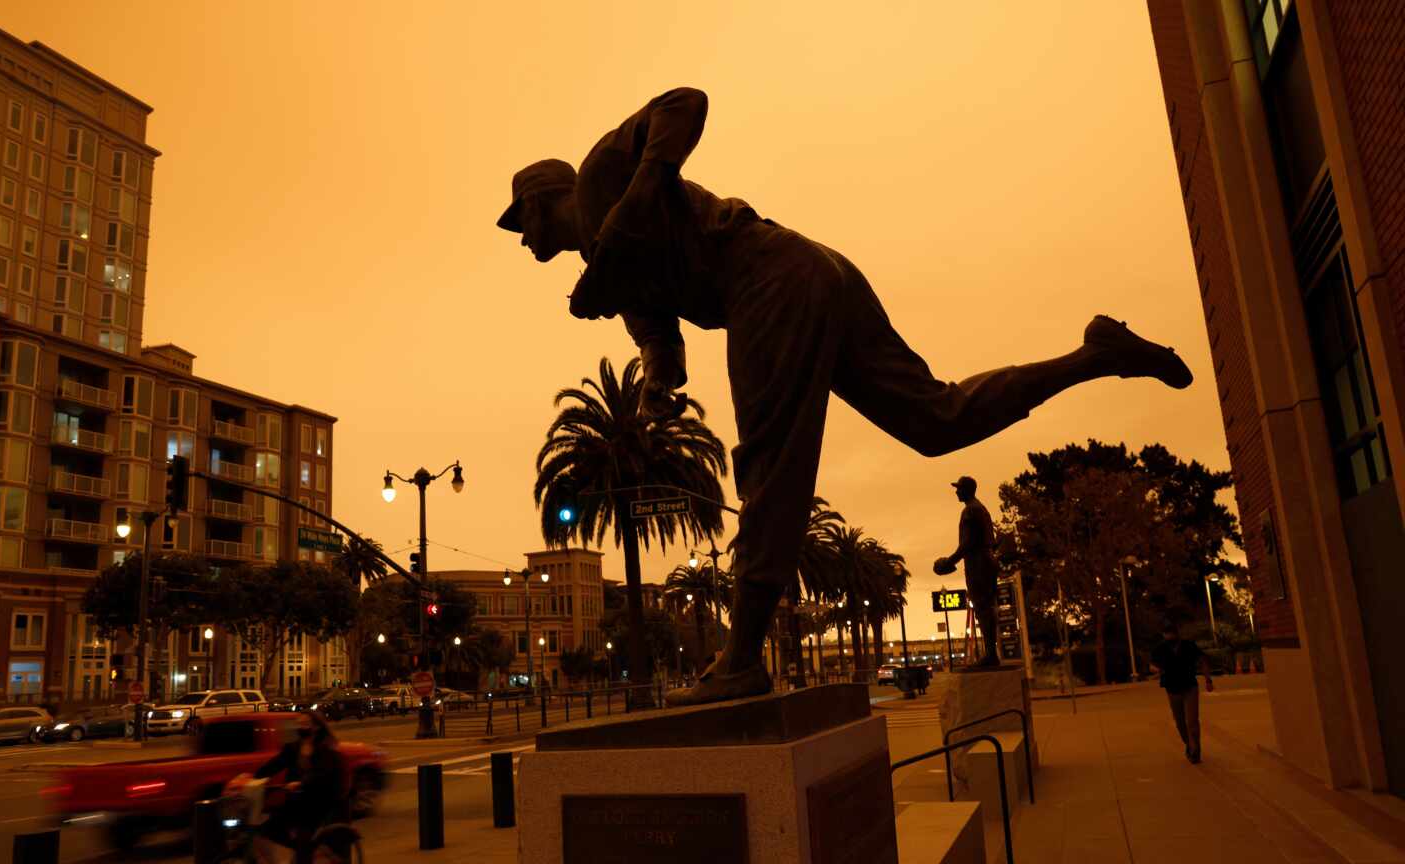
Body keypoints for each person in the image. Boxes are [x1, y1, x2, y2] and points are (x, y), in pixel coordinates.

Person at [499, 87, 1194, 706]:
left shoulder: (597, 180)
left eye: (520, 220)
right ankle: (1095, 355)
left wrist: (637, 201)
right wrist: (654, 389)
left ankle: (740, 661)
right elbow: (664, 353)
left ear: (540, 198)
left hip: (766, 277)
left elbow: (687, 101)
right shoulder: (607, 273)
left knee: (770, 465)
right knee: (935, 419)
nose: (522, 237)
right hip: (808, 271)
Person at [227, 710, 346, 864]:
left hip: (319, 800)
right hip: (297, 800)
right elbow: (273, 766)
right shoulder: (293, 748)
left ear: (316, 727)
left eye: (305, 724)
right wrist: (250, 778)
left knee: (304, 834)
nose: (301, 727)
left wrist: (301, 783)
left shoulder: (325, 749)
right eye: (298, 723)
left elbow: (321, 774)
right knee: (267, 830)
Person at [933, 476, 1002, 669]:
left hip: (978, 563)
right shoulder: (981, 509)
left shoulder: (971, 510)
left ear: (967, 490)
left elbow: (968, 543)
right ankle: (990, 654)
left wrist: (948, 562)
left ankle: (990, 655)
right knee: (986, 607)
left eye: (959, 488)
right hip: (985, 561)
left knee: (983, 608)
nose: (956, 492)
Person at [1150, 630, 1214, 763]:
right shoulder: (1160, 648)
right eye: (1167, 633)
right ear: (1164, 634)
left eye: (1172, 632)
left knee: (1192, 720)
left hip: (1190, 686)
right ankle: (1189, 744)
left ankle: (1195, 750)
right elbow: (1152, 665)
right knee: (1180, 722)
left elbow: (1202, 660)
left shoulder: (1189, 645)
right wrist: (1158, 670)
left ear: (1178, 633)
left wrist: (1208, 680)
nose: (1169, 635)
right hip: (1172, 689)